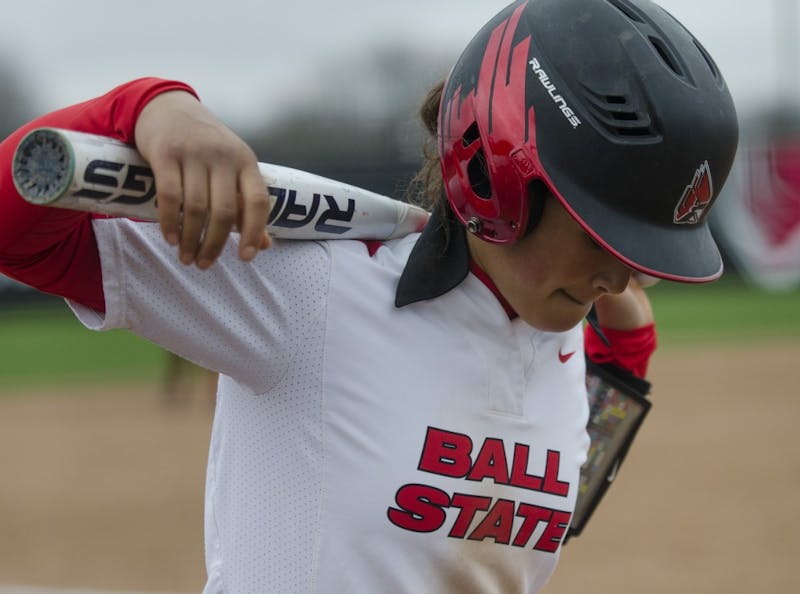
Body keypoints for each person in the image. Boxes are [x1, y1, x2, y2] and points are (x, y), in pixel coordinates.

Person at [0, 0, 737, 592]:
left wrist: (623, 356)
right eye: (600, 234)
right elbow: (18, 233)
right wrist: (146, 108)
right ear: (500, 175)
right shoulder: (313, 291)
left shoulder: (563, 332)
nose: (621, 275)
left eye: (640, 251)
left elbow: (541, 504)